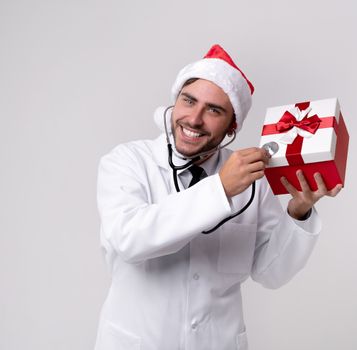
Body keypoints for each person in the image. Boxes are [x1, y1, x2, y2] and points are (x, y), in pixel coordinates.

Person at [94, 44, 342, 350]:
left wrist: (299, 211)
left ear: (231, 127)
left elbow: (271, 273)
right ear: (175, 102)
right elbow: (129, 239)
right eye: (189, 101)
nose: (194, 119)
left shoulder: (250, 176)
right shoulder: (127, 161)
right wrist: (220, 189)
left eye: (214, 110)